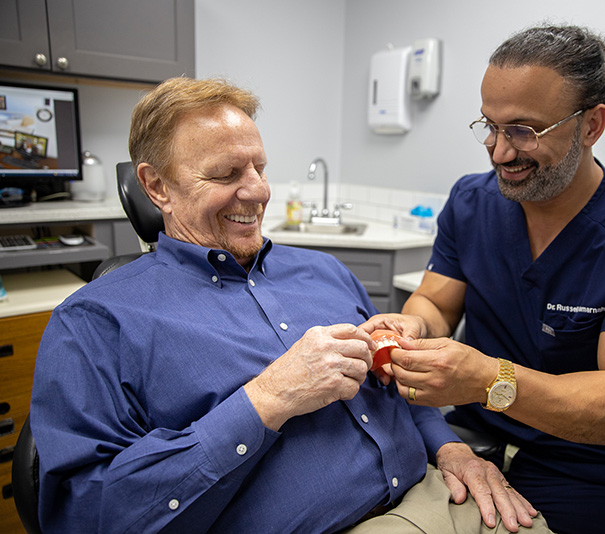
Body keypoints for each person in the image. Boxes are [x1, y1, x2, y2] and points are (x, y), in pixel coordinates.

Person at [29, 77, 552, 534]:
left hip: (445, 495)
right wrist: (267, 399)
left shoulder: (324, 272)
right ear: (156, 186)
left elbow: (391, 391)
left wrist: (449, 447)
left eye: (259, 167)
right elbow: (85, 516)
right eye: (226, 174)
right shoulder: (95, 324)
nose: (258, 191)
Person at [362, 25, 605, 534]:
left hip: (583, 469)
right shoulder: (472, 203)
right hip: (468, 440)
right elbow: (436, 303)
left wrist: (486, 379)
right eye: (489, 126)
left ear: (592, 125)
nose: (500, 152)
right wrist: (411, 327)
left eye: (524, 130)